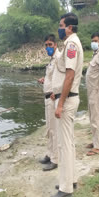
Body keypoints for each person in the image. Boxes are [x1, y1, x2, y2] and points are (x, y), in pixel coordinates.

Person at [50, 12, 83, 197]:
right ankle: (71, 179)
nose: (59, 28)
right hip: (69, 97)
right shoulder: (73, 42)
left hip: (68, 100)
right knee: (69, 143)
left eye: (61, 25)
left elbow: (69, 75)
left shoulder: (71, 44)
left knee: (64, 145)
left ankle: (66, 188)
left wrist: (60, 103)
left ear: (70, 27)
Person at [37, 34, 60, 171]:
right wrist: (45, 81)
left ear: (55, 45)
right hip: (47, 98)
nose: (48, 48)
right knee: (49, 129)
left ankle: (55, 159)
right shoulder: (52, 60)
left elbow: (63, 77)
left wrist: (56, 92)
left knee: (54, 130)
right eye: (46, 45)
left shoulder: (58, 58)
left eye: (50, 45)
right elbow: (53, 77)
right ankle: (50, 154)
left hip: (53, 98)